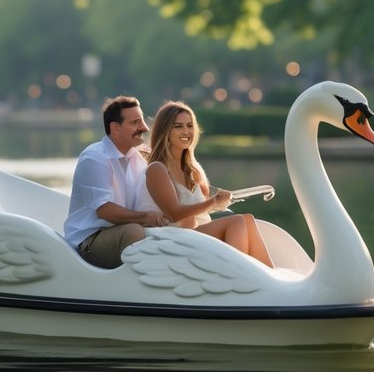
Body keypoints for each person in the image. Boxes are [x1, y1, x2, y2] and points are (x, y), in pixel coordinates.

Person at [140, 101, 273, 268]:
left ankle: (269, 276)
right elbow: (174, 214)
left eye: (189, 125)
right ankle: (237, 277)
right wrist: (213, 202)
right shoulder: (157, 169)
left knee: (248, 219)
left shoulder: (193, 169)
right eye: (178, 126)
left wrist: (219, 202)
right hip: (179, 238)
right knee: (236, 221)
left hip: (201, 233)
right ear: (165, 131)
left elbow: (202, 207)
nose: (186, 131)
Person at [64, 95, 170, 268]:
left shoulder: (139, 157)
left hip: (122, 231)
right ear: (115, 128)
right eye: (135, 122)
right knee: (133, 231)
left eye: (142, 120)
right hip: (89, 240)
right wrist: (146, 217)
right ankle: (136, 289)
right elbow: (105, 211)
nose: (144, 127)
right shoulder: (95, 157)